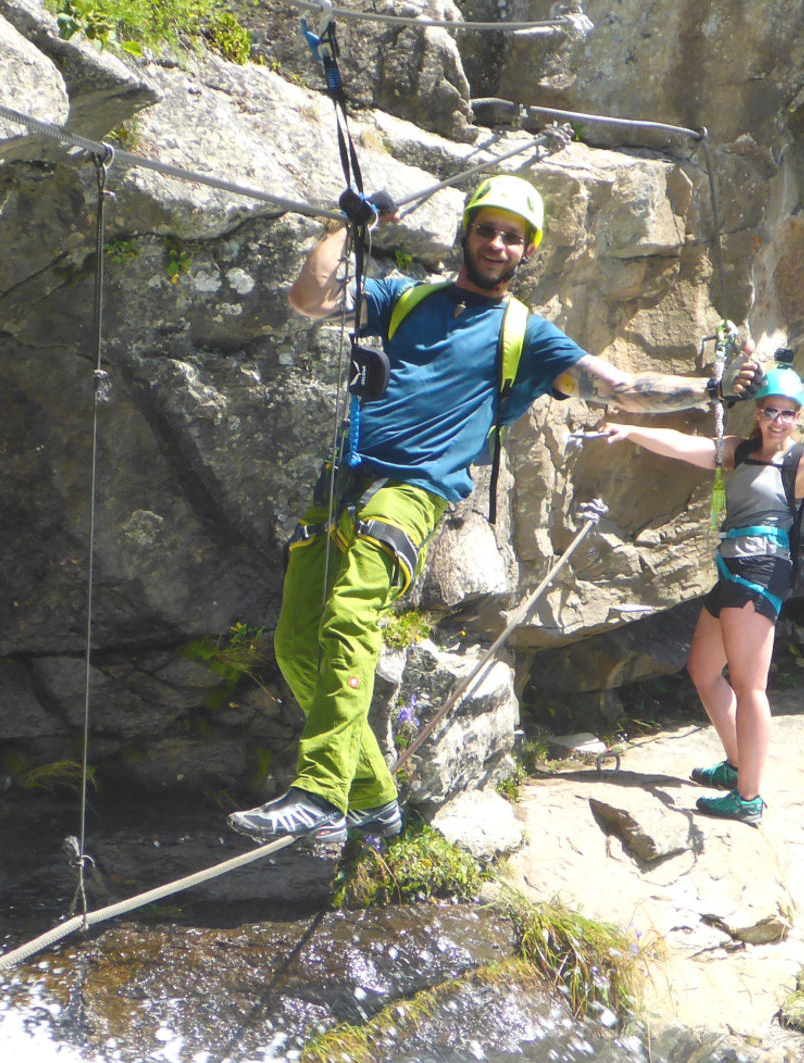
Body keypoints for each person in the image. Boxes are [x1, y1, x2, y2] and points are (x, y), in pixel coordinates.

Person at [228, 175, 759, 846]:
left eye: (512, 237)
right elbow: (309, 297)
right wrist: (352, 228)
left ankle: (321, 791)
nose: (497, 244)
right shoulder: (405, 297)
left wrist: (710, 387)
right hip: (342, 483)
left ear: (527, 251)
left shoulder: (525, 334)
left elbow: (620, 388)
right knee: (296, 643)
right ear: (467, 233)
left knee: (350, 613)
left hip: (411, 489)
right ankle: (372, 797)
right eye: (487, 229)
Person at [598, 366, 804, 825]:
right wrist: (631, 430)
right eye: (771, 411)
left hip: (760, 574)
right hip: (731, 572)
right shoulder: (738, 452)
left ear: (798, 417)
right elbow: (685, 447)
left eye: (787, 413)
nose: (778, 421)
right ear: (758, 413)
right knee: (703, 670)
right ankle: (738, 766)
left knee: (749, 685)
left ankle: (749, 798)